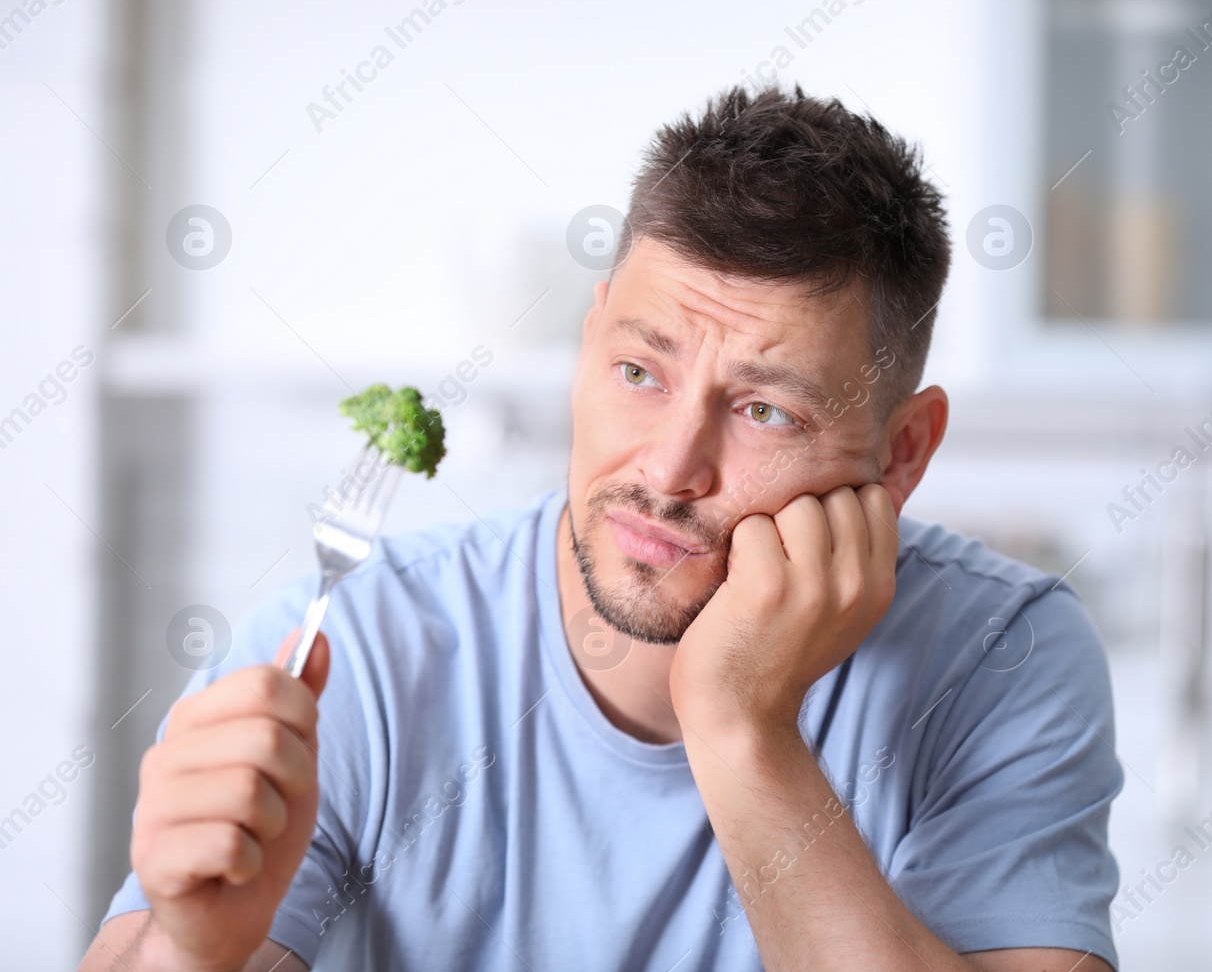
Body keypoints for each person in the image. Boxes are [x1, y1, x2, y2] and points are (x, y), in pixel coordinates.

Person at [80, 85, 1122, 971]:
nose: (668, 467)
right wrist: (192, 946)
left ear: (900, 453)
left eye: (765, 409)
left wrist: (740, 729)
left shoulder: (1000, 657)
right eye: (638, 370)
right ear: (588, 340)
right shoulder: (349, 649)